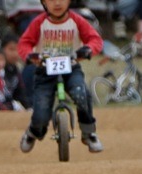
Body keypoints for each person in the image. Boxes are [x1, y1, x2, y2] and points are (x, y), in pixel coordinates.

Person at [17, 0, 103, 153]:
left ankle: (89, 132)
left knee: (81, 94)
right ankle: (34, 131)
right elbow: (24, 43)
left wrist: (88, 50)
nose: (57, 3)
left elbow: (95, 39)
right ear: (44, 3)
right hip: (45, 70)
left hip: (71, 68)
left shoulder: (77, 20)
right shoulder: (39, 22)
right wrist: (30, 55)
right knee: (41, 112)